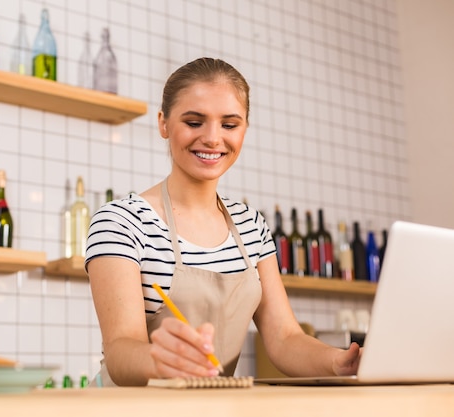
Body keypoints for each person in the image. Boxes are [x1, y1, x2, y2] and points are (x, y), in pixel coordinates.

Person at [85, 57, 361, 387]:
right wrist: (159, 359)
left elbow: (284, 338)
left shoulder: (251, 225)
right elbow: (120, 352)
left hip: (212, 406)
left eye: (229, 125)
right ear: (163, 123)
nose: (214, 138)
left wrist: (338, 361)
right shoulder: (121, 222)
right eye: (194, 122)